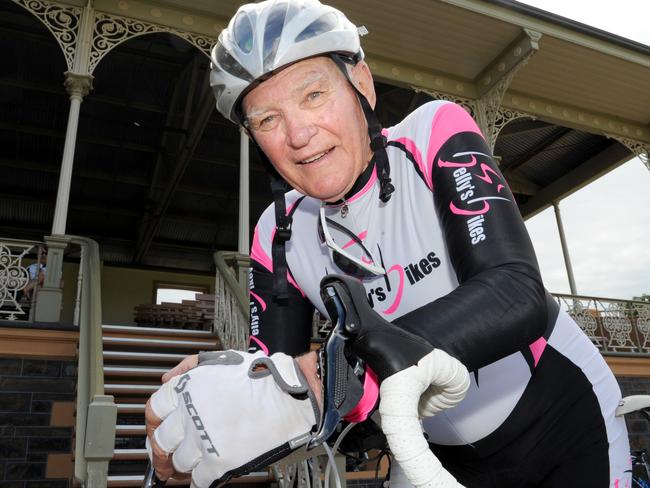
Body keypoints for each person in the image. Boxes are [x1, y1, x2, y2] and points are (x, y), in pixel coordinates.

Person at [147, 1, 630, 486]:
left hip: (563, 417)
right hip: (429, 448)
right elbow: (281, 380)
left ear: (362, 84)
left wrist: (330, 375)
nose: (298, 134)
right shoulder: (277, 230)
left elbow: (514, 290)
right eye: (267, 120)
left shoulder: (432, 133)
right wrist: (222, 408)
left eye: (313, 95)